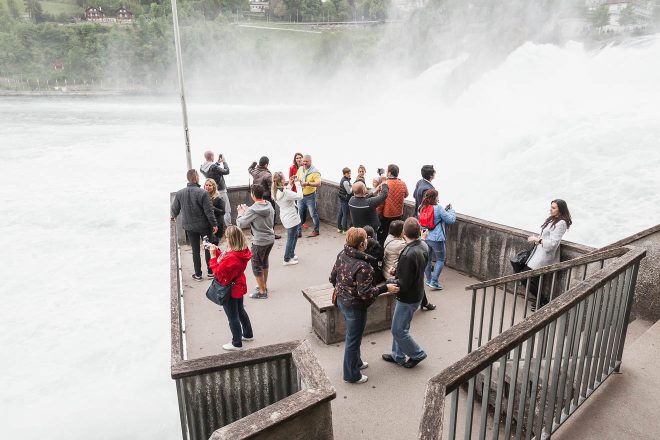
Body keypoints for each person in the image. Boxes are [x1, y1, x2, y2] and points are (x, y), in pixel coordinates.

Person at [330, 227, 400, 384]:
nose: (368, 241)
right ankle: (351, 375)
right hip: (355, 307)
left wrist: (344, 289)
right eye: (366, 239)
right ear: (361, 244)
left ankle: (357, 363)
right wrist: (385, 287)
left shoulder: (342, 255)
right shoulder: (364, 266)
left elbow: (332, 277)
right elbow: (366, 293)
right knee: (353, 340)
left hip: (342, 301)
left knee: (353, 336)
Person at [382, 217, 429, 368]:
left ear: (403, 233)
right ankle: (398, 355)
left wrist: (389, 282)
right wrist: (398, 271)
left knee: (398, 330)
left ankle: (417, 353)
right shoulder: (423, 245)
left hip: (408, 297)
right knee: (401, 327)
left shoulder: (409, 254)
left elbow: (404, 283)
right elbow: (415, 271)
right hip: (417, 292)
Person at [208, 226, 254, 351]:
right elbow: (225, 263)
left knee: (232, 317)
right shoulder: (241, 250)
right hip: (238, 284)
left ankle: (236, 342)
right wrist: (217, 252)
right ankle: (248, 334)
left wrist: (212, 257)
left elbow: (219, 272)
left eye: (227, 237)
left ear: (232, 239)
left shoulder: (232, 257)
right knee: (240, 311)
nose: (225, 239)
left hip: (230, 289)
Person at [523, 199, 572, 310]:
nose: (550, 209)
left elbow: (553, 244)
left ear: (561, 210)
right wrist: (538, 240)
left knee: (525, 276)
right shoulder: (553, 219)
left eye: (554, 208)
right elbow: (546, 236)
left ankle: (542, 301)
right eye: (551, 207)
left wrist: (538, 240)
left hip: (545, 256)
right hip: (539, 253)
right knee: (532, 279)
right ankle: (542, 301)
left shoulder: (561, 223)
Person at [171, 170, 218, 280]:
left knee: (195, 250)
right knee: (207, 247)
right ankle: (210, 272)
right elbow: (209, 211)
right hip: (204, 227)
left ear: (188, 178)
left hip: (190, 227)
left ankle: (198, 274)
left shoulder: (180, 193)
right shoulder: (203, 193)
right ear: (196, 178)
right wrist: (214, 224)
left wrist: (173, 216)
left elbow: (174, 209)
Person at [236, 184, 275, 299]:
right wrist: (248, 210)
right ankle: (264, 285)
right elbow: (260, 214)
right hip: (270, 239)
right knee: (264, 262)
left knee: (256, 265)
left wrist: (240, 213)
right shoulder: (269, 205)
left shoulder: (253, 210)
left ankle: (262, 292)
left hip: (259, 241)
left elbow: (240, 223)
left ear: (253, 194)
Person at [419, 189, 456, 291]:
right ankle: (434, 282)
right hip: (436, 238)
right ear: (435, 198)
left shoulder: (422, 207)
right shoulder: (439, 208)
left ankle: (429, 280)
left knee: (428, 259)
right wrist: (451, 210)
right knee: (440, 259)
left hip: (425, 236)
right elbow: (451, 220)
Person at [272, 171, 303, 266]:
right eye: (284, 178)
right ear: (281, 181)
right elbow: (300, 196)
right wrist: (297, 184)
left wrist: (290, 184)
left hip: (286, 215)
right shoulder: (284, 192)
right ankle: (286, 259)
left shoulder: (275, 190)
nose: (285, 179)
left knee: (294, 235)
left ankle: (291, 254)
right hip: (291, 217)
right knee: (291, 238)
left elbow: (286, 193)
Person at [249, 156, 280, 239]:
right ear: (266, 164)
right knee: (271, 214)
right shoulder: (267, 175)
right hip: (267, 197)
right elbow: (272, 187)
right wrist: (274, 197)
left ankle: (256, 232)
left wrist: (253, 164)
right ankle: (271, 233)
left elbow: (249, 169)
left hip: (257, 196)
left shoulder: (254, 171)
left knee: (258, 215)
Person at [378, 164, 408, 245]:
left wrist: (378, 212)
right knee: (396, 234)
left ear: (390, 173)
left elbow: (381, 200)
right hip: (398, 213)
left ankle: (383, 249)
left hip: (387, 213)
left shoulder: (385, 184)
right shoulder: (402, 183)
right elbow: (406, 195)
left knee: (384, 233)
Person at [200, 151, 231, 227]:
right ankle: (229, 227)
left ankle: (216, 227)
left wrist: (217, 162)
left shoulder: (202, 167)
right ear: (211, 157)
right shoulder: (214, 167)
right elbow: (227, 171)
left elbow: (212, 169)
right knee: (227, 210)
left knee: (215, 211)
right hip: (221, 191)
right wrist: (224, 162)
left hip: (211, 192)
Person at [296, 154, 322, 237]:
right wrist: (296, 179)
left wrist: (308, 183)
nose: (304, 163)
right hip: (300, 195)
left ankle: (316, 231)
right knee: (299, 214)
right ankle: (298, 232)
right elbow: (297, 177)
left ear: (310, 161)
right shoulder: (300, 169)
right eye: (303, 161)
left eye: (306, 161)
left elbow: (318, 183)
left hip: (310, 196)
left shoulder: (315, 171)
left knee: (313, 214)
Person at [204, 178, 226, 244]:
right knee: (207, 245)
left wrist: (212, 208)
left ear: (214, 186)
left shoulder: (219, 198)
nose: (207, 187)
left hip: (217, 224)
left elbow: (223, 212)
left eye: (210, 185)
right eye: (206, 185)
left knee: (214, 245)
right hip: (206, 224)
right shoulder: (203, 196)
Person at [337, 167, 352, 234]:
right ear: (344, 174)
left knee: (341, 213)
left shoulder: (343, 179)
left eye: (350, 173)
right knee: (345, 214)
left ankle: (339, 228)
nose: (349, 174)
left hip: (343, 198)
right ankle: (344, 230)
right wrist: (352, 187)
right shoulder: (345, 181)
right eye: (348, 173)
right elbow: (349, 192)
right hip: (345, 199)